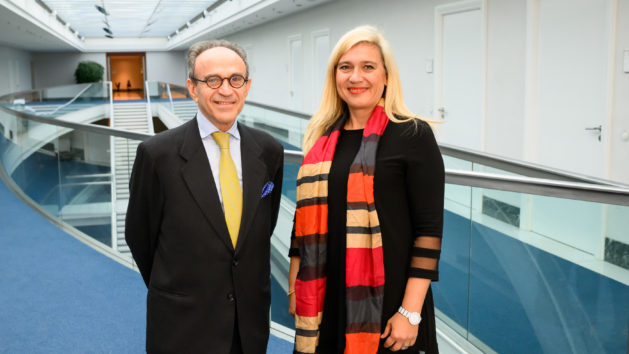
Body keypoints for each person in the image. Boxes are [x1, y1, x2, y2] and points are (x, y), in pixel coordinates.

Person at [287, 26, 444, 354]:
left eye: (368, 67)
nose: (355, 76)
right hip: (326, 297)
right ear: (335, 77)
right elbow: (301, 224)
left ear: (386, 76)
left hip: (388, 302)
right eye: (346, 67)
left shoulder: (412, 135)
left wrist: (410, 312)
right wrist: (295, 287)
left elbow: (429, 232)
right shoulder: (322, 140)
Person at [125, 39, 284, 354]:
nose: (226, 90)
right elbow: (140, 238)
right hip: (182, 326)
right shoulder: (158, 155)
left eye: (235, 79)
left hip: (248, 325)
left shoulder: (268, 151)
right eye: (212, 80)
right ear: (192, 88)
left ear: (247, 86)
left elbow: (262, 228)